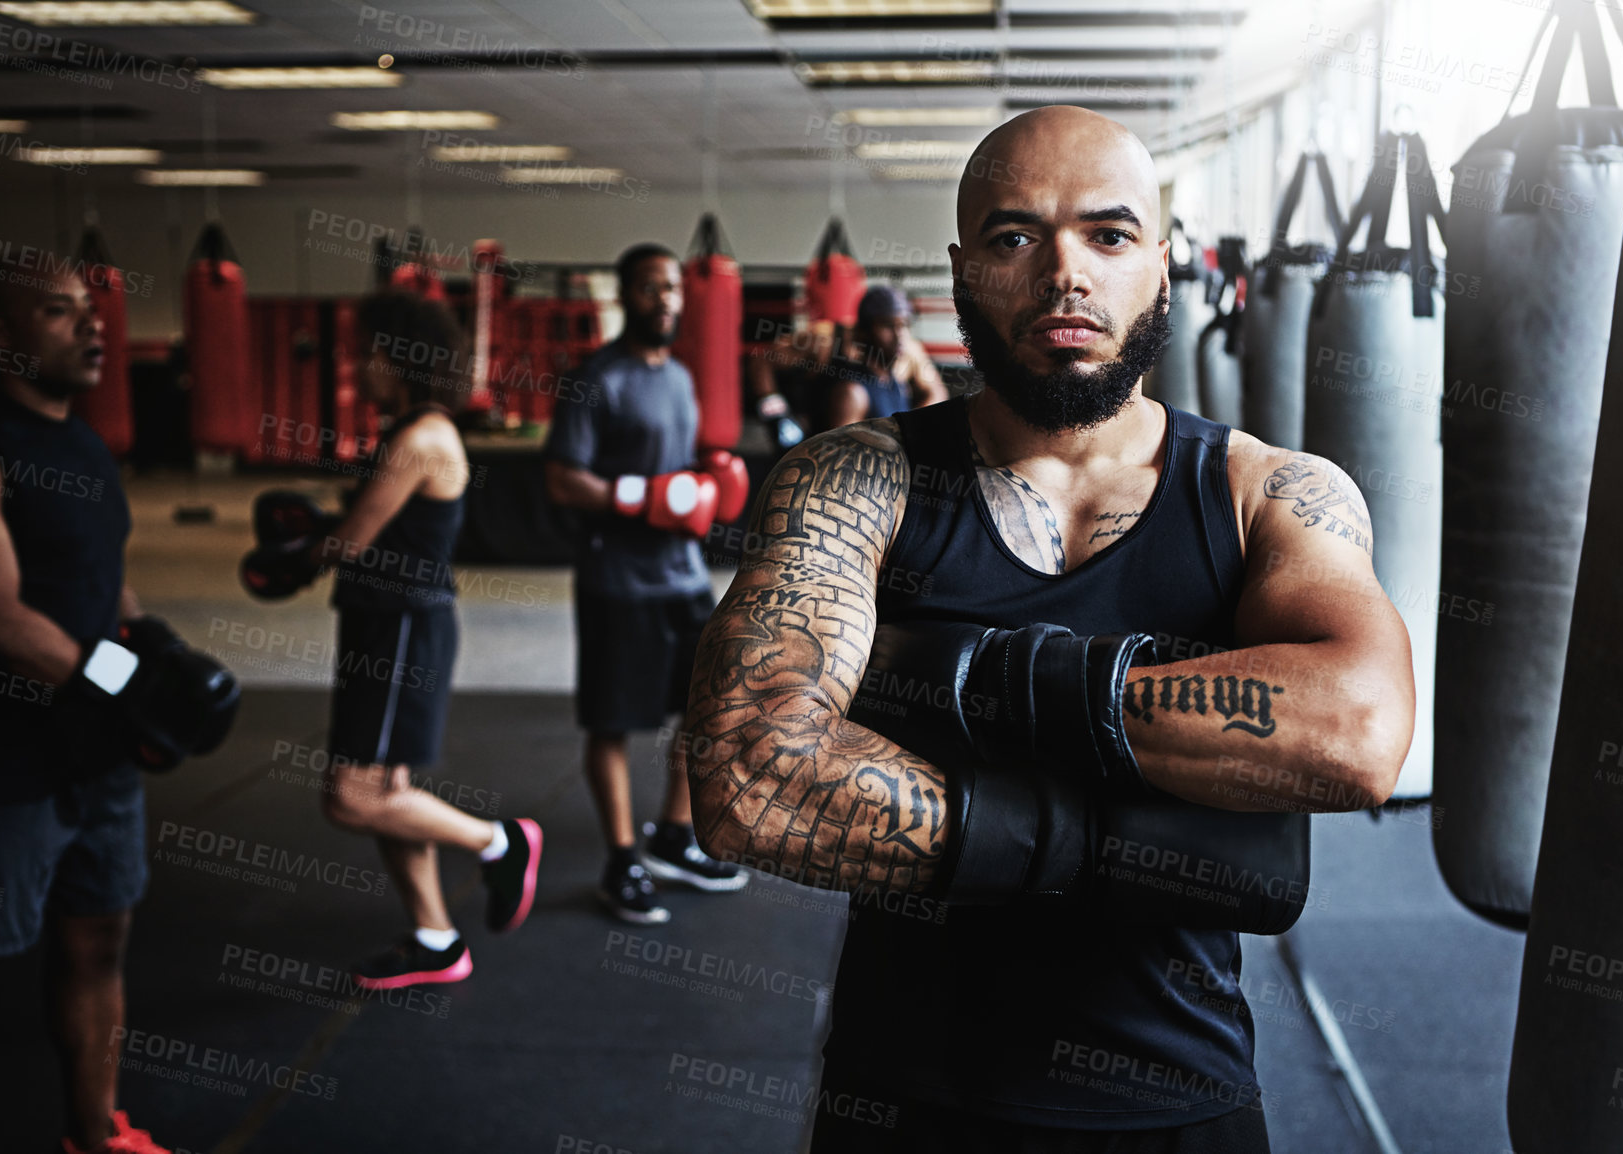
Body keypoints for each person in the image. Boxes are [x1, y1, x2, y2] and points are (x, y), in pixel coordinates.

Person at [682, 106, 1416, 1152]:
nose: (1064, 272)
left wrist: (965, 682)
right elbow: (750, 779)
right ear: (963, 273)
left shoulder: (1268, 492)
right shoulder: (856, 479)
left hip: (1180, 1103)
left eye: (1108, 236)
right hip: (906, 1101)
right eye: (1015, 236)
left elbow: (1357, 732)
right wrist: (1150, 838)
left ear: (1162, 266)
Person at [0, 255, 237, 1154]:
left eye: (91, 308)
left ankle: (93, 1135)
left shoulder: (83, 445)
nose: (93, 325)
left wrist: (160, 653)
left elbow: (101, 583)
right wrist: (125, 685)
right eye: (59, 311)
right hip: (1, 757)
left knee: (98, 943)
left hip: (98, 754)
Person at [246, 290, 543, 988]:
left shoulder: (421, 439)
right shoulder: (411, 431)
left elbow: (351, 543)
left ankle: (499, 842)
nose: (360, 367)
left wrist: (299, 555)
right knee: (388, 790)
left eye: (369, 354)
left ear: (401, 358)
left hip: (402, 629)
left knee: (351, 797)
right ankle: (437, 940)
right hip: (386, 622)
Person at [544, 243, 751, 924]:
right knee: (614, 723)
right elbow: (562, 479)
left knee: (705, 707)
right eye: (649, 287)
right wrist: (640, 497)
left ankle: (673, 834)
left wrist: (704, 484)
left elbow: (678, 469)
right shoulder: (595, 380)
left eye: (672, 288)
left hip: (682, 576)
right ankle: (620, 859)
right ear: (624, 295)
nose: (664, 299)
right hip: (619, 580)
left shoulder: (681, 377)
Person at [809, 285, 949, 432]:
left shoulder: (896, 384)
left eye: (904, 325)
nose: (899, 335)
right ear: (863, 332)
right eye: (888, 326)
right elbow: (840, 446)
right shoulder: (853, 393)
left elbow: (937, 392)